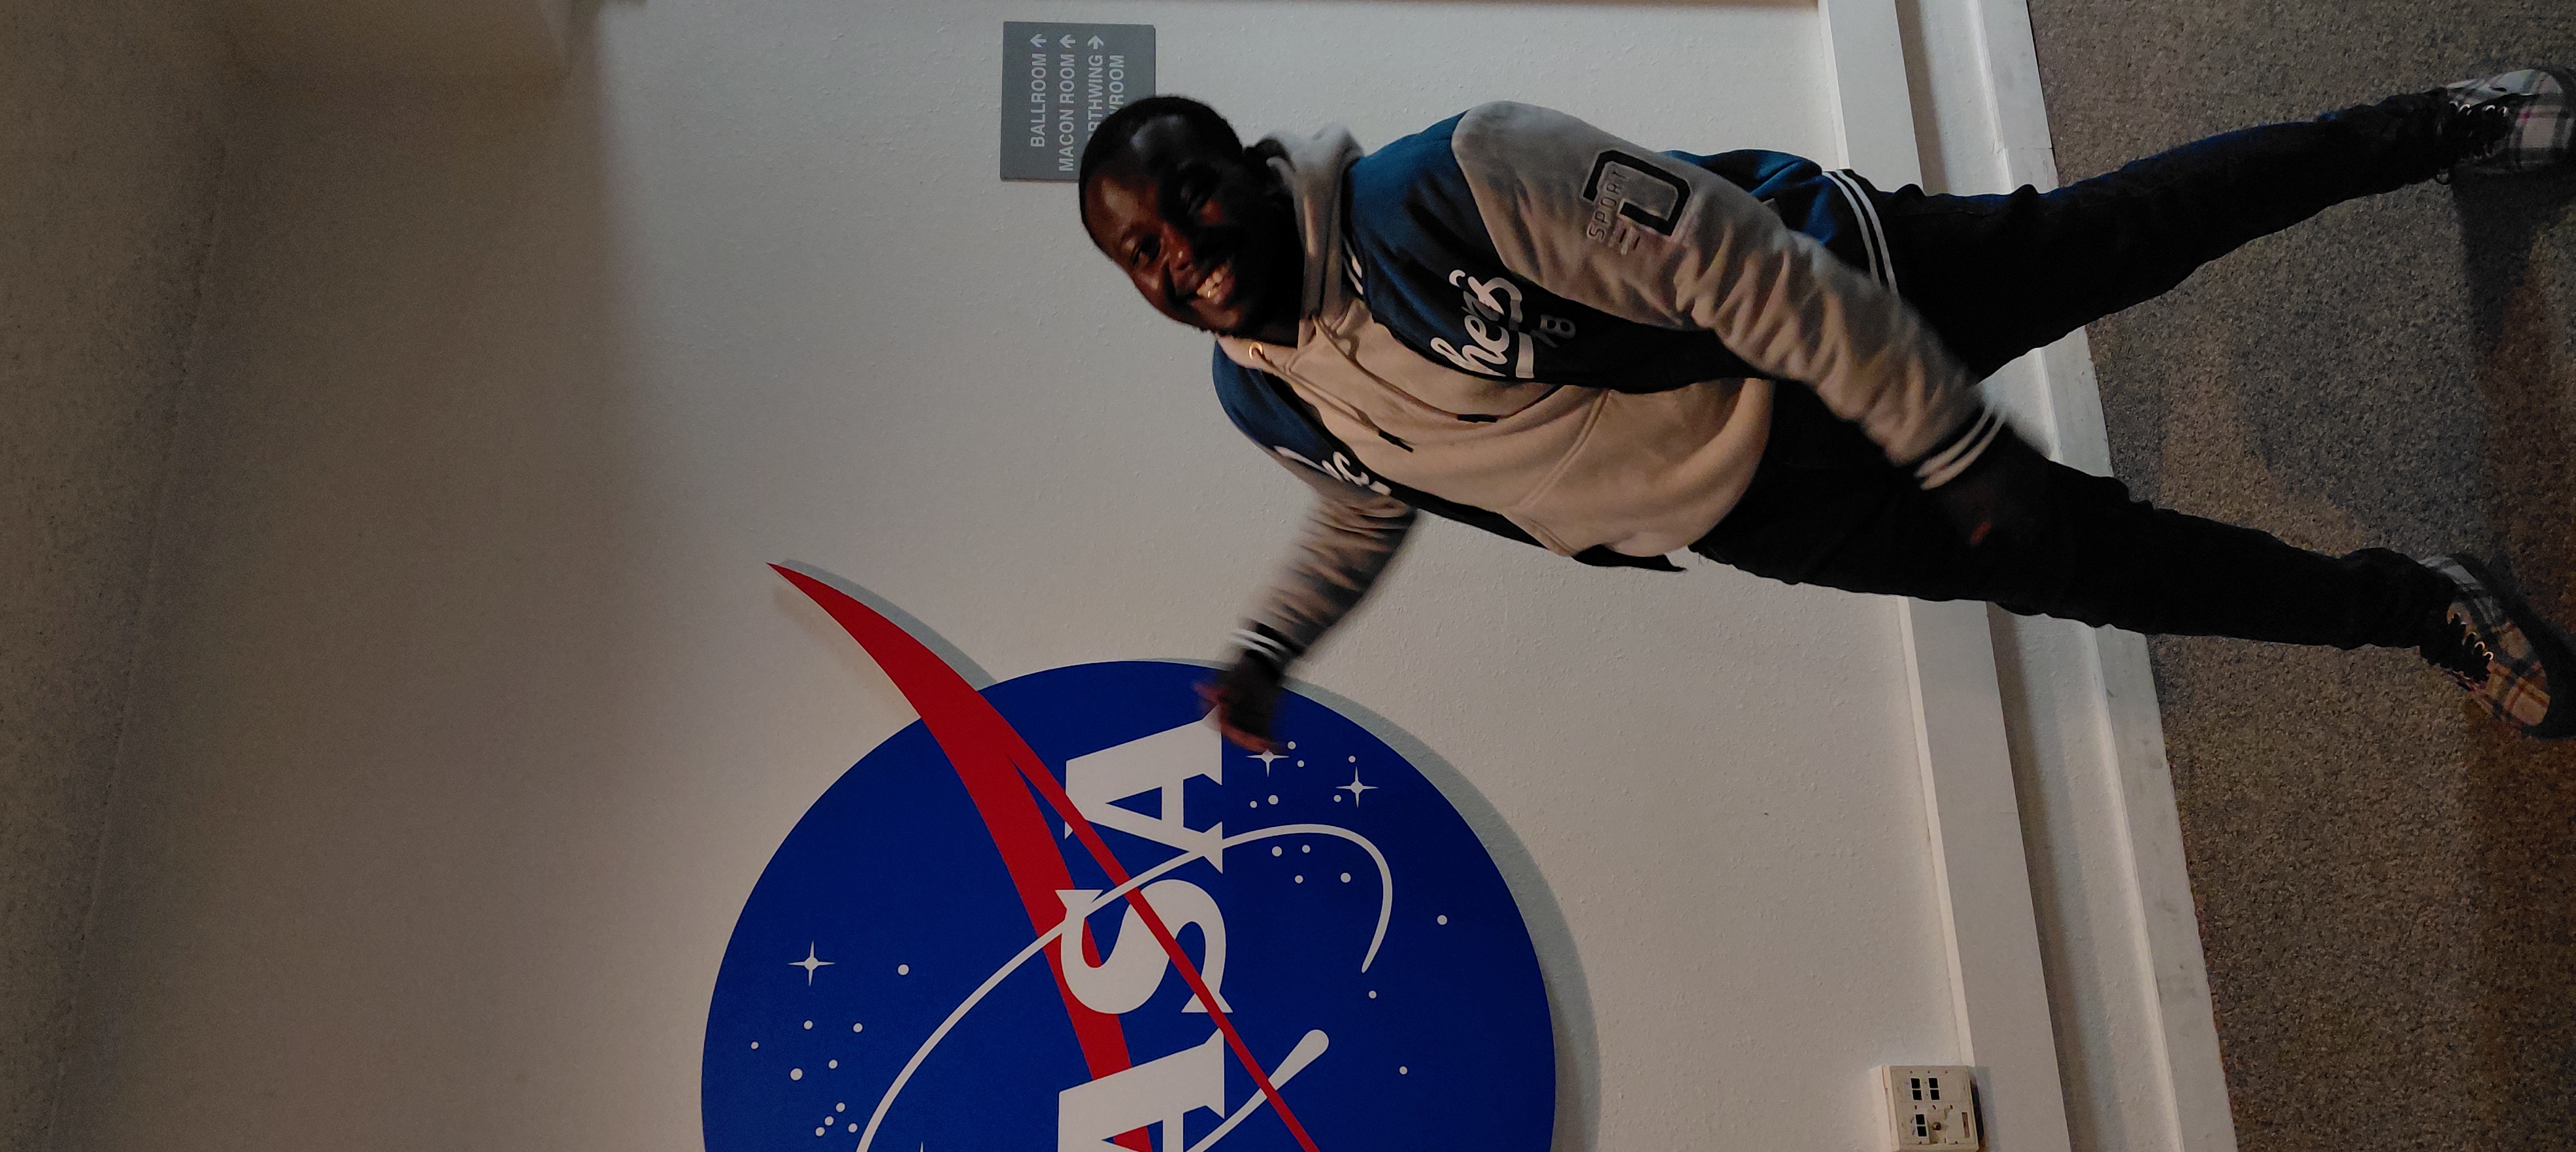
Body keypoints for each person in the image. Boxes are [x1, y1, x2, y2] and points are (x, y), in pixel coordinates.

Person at [1074, 72, 2576, 745]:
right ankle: (2418, 609)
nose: (1182, 248)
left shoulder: (1460, 175)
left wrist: (1948, 434)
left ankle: (2429, 124)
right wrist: (1274, 645)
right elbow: (1368, 491)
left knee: (2133, 235)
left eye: (1189, 194)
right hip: (1766, 505)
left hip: (1842, 296)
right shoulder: (1256, 391)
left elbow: (1750, 274)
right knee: (2110, 573)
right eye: (1142, 248)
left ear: (1252, 162)